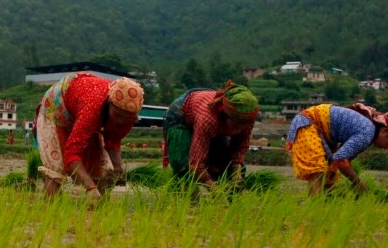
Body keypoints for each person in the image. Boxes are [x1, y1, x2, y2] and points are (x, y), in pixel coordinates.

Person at [35, 72, 144, 202]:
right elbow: (72, 153)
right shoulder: (92, 110)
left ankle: (97, 211)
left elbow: (113, 141)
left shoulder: (129, 117)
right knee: (55, 167)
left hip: (82, 108)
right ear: (109, 103)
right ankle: (50, 209)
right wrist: (90, 187)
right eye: (118, 115)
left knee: (100, 167)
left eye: (126, 118)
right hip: (57, 106)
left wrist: (118, 166)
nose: (120, 121)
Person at [286, 102, 388, 195]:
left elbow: (340, 159)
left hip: (322, 132)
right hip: (309, 124)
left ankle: (324, 204)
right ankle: (314, 207)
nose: (386, 149)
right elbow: (341, 160)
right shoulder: (367, 133)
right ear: (385, 132)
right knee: (317, 171)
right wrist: (358, 184)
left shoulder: (368, 132)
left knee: (330, 173)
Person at [163, 81, 259, 189]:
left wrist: (236, 174)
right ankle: (190, 202)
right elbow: (196, 163)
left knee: (225, 164)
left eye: (243, 125)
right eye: (235, 124)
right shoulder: (209, 120)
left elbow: (239, 149)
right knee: (183, 166)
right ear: (225, 115)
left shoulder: (247, 120)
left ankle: (230, 199)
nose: (239, 129)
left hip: (203, 106)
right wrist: (213, 189)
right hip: (181, 115)